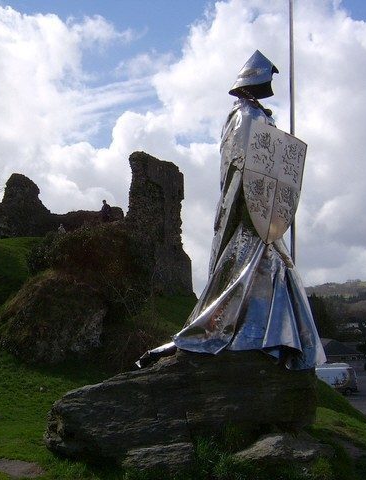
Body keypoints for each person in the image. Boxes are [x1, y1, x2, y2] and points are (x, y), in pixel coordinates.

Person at [138, 51, 325, 370]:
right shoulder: (242, 116)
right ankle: (249, 337)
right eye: (267, 78)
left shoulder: (260, 115)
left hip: (264, 219)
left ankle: (274, 341)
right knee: (252, 271)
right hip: (247, 216)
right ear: (255, 79)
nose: (271, 85)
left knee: (281, 270)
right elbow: (239, 170)